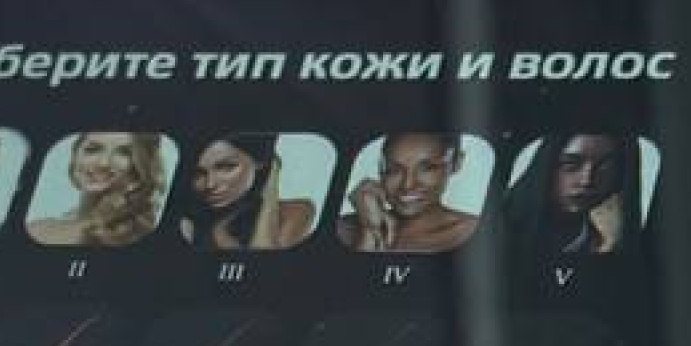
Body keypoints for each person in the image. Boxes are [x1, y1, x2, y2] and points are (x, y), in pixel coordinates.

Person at [335, 133, 481, 254]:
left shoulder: (478, 234)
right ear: (381, 169)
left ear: (456, 163)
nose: (407, 185)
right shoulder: (344, 228)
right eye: (394, 169)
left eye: (427, 168)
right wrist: (369, 231)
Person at [507, 132, 643, 256]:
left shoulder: (619, 235)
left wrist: (610, 243)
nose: (586, 181)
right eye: (571, 164)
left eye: (604, 167)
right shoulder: (504, 231)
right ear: (547, 166)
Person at [175, 133, 318, 251]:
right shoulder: (187, 221)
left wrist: (271, 188)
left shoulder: (296, 211)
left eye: (226, 167)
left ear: (260, 161)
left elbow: (264, 265)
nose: (210, 184)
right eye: (199, 173)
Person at [26, 130, 167, 247]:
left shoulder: (141, 236)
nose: (103, 163)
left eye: (124, 153)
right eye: (93, 149)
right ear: (75, 156)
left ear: (139, 168)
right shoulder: (37, 227)